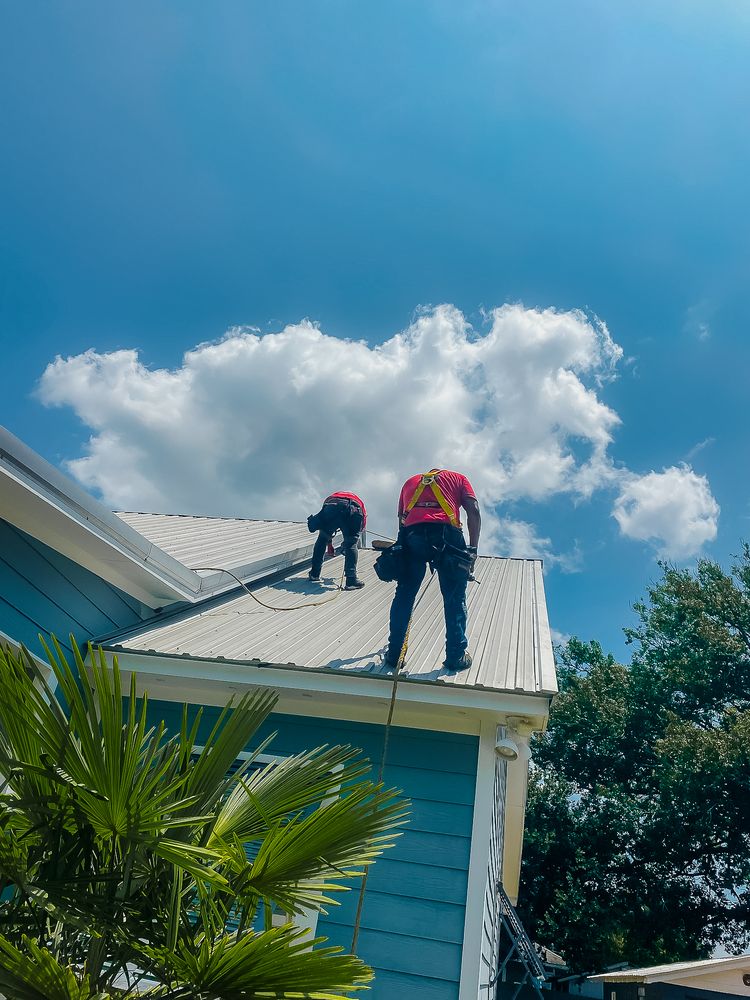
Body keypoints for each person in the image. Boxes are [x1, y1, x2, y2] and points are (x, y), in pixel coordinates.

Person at [385, 468, 480, 672]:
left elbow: (401, 519)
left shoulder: (410, 481)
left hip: (412, 535)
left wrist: (403, 547)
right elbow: (473, 510)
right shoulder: (458, 478)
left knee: (404, 595)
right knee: (455, 598)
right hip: (448, 535)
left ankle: (395, 656)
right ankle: (455, 656)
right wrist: (472, 549)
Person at [307, 491, 367, 590]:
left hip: (332, 508)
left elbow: (325, 523)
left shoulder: (331, 499)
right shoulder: (360, 503)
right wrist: (349, 541)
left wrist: (328, 542)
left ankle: (314, 574)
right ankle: (351, 581)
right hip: (353, 510)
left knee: (322, 539)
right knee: (352, 544)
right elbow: (362, 526)